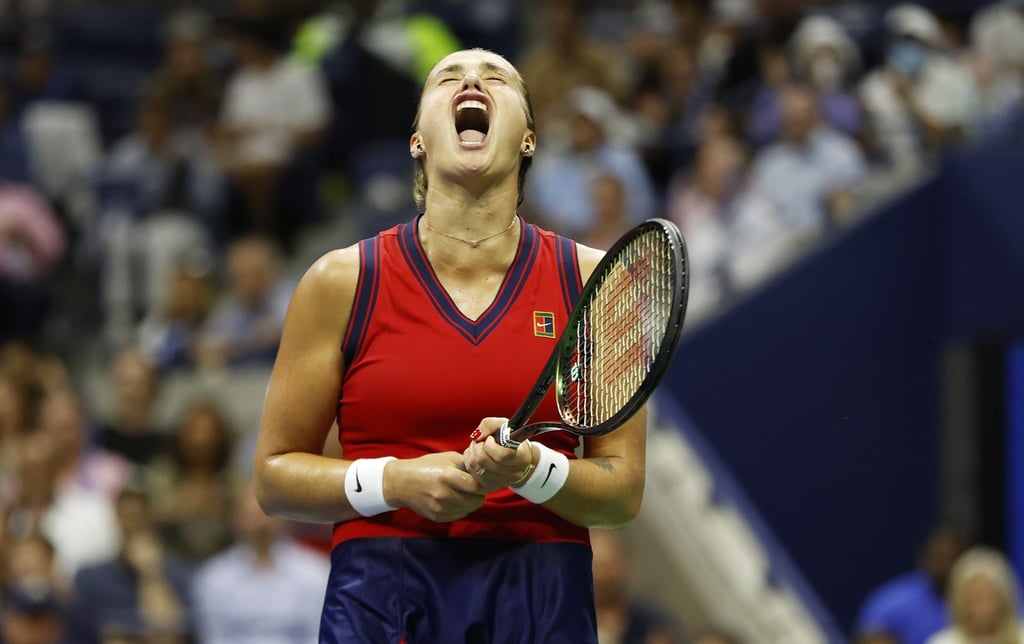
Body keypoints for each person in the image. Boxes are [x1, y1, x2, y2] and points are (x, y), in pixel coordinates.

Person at [253, 48, 647, 643]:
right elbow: (274, 478)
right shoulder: (340, 281)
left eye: (497, 78)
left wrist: (532, 469)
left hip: (541, 592)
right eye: (446, 78)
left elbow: (621, 494)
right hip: (380, 595)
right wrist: (394, 482)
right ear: (417, 141)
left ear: (529, 141)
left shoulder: (596, 284)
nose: (471, 81)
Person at [855, 524, 970, 644]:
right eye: (939, 557)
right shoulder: (894, 600)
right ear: (925, 558)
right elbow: (868, 638)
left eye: (951, 557)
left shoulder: (977, 599)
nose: (945, 565)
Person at [926, 547, 1024, 644]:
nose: (981, 608)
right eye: (974, 599)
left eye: (988, 597)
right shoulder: (942, 641)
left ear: (1004, 599)